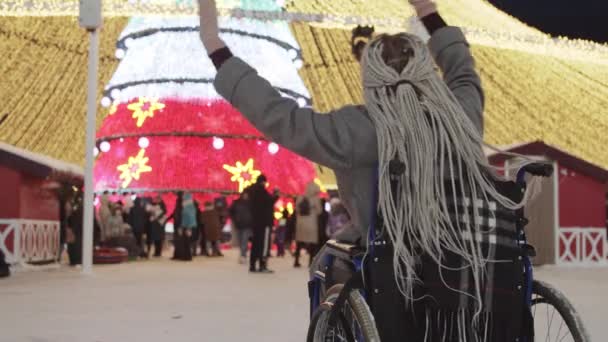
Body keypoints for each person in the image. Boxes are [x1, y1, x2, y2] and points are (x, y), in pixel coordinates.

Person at [198, 0, 537, 340]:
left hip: (396, 267)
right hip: (478, 262)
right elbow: (462, 68)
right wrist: (427, 10)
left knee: (330, 262)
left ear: (372, 77)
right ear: (425, 72)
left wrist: (216, 47)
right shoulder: (461, 116)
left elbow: (280, 117)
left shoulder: (357, 130)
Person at [244, 175, 278, 273]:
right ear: (263, 182)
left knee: (256, 243)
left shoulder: (252, 191)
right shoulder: (261, 191)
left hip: (255, 222)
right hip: (264, 222)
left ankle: (252, 264)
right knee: (264, 244)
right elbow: (268, 202)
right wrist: (276, 195)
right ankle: (262, 264)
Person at [294, 182, 322, 268]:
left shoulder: (300, 197)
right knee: (312, 243)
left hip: (300, 223)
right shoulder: (316, 199)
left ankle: (296, 261)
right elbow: (319, 211)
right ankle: (310, 262)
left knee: (299, 242)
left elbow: (296, 210)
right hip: (311, 223)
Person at [229, 191, 253, 264]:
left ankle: (243, 255)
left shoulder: (251, 203)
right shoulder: (236, 202)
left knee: (244, 240)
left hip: (247, 225)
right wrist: (234, 219)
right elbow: (230, 211)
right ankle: (243, 254)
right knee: (240, 240)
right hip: (238, 224)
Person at [180, 192, 198, 260]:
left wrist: (189, 228)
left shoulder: (189, 207)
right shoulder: (188, 206)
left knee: (187, 242)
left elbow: (190, 217)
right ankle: (186, 256)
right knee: (186, 242)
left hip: (188, 227)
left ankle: (187, 257)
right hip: (186, 226)